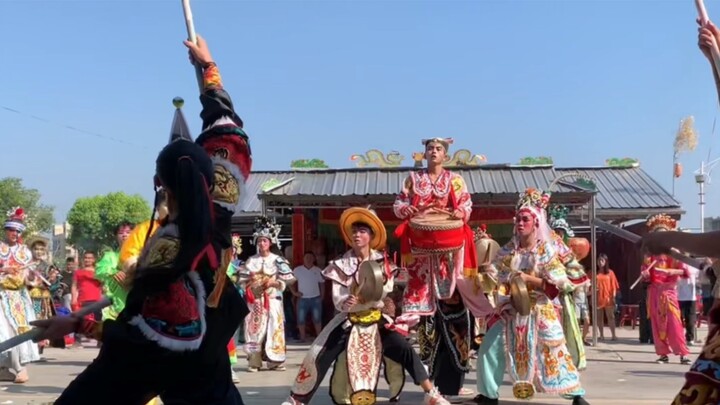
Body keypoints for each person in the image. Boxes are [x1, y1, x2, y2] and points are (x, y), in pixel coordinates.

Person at [29, 34, 251, 404]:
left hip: (178, 361)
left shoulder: (170, 250)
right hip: (209, 361)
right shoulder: (223, 208)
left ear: (160, 186)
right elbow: (227, 129)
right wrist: (208, 70)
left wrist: (77, 323)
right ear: (214, 178)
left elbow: (149, 338)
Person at [281, 207, 450, 405]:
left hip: (375, 317)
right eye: (354, 231)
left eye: (362, 231)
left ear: (371, 236)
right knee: (319, 352)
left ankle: (430, 394)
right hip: (348, 318)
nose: (357, 235)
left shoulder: (382, 262)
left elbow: (386, 289)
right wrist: (346, 302)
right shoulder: (341, 264)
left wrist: (373, 299)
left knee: (405, 349)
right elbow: (338, 297)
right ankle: (297, 399)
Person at [473, 188, 589, 405]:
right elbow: (495, 278)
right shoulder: (507, 251)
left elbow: (559, 286)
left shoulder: (545, 251)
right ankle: (488, 395)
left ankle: (576, 396)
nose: (519, 223)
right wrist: (486, 274)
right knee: (490, 345)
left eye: (525, 219)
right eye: (517, 219)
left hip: (540, 309)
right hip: (511, 310)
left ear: (536, 222)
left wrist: (529, 279)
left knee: (554, 350)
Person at [394, 137, 489, 399]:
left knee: (455, 315)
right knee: (426, 321)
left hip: (449, 253)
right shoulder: (413, 178)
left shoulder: (455, 179)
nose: (433, 152)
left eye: (438, 149)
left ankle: (454, 381)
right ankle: (429, 379)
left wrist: (460, 212)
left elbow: (466, 203)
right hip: (422, 254)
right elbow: (399, 204)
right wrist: (407, 209)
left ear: (445, 155)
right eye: (429, 149)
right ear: (423, 154)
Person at [237, 216, 295, 372]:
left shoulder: (278, 260)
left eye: (265, 240)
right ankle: (253, 361)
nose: (262, 244)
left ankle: (275, 361)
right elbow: (241, 280)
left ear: (270, 242)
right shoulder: (250, 261)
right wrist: (250, 285)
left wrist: (273, 283)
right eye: (259, 241)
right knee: (253, 330)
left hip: (272, 300)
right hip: (255, 301)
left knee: (274, 329)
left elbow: (289, 278)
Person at [641, 214, 691, 365]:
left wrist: (670, 272)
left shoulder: (674, 253)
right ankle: (663, 354)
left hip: (669, 292)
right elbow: (646, 276)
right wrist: (644, 274)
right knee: (656, 324)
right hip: (654, 292)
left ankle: (683, 353)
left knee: (675, 323)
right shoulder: (649, 255)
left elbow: (685, 272)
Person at [0, 207, 40, 383]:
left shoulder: (25, 251)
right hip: (1, 295)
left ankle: (18, 366)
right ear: (6, 230)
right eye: (11, 230)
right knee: (4, 332)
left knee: (16, 330)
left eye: (17, 231)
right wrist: (5, 269)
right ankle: (6, 368)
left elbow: (30, 276)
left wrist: (31, 275)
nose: (14, 233)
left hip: (18, 298)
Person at [548, 204, 590, 369]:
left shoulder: (564, 250)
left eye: (561, 232)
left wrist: (564, 279)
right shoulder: (545, 246)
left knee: (566, 329)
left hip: (562, 297)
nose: (558, 234)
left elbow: (576, 274)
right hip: (547, 296)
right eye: (556, 231)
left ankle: (565, 360)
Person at [94, 222, 133, 320]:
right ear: (116, 236)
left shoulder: (142, 255)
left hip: (137, 307)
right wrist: (112, 272)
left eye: (128, 232)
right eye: (120, 233)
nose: (124, 235)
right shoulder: (110, 256)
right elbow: (98, 271)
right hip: (113, 309)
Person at [291, 251, 325, 342]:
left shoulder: (317, 270)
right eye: (306, 257)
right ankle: (303, 337)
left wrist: (322, 296)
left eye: (310, 258)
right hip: (302, 299)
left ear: (314, 259)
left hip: (315, 298)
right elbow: (290, 282)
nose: (308, 259)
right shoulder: (297, 270)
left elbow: (322, 283)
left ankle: (319, 338)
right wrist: (294, 292)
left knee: (317, 319)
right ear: (303, 259)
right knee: (301, 319)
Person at [595, 253, 619, 341]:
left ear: (606, 261)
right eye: (599, 260)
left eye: (602, 260)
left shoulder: (610, 272)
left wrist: (613, 297)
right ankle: (601, 335)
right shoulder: (595, 273)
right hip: (598, 298)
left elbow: (614, 286)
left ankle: (613, 335)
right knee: (599, 318)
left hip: (608, 298)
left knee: (611, 317)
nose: (600, 262)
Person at [677, 263, 699, 345]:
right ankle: (690, 338)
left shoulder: (676, 265)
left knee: (679, 318)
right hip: (689, 296)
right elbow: (699, 277)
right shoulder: (693, 266)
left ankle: (680, 337)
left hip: (680, 296)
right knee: (690, 318)